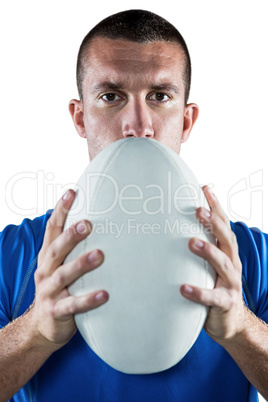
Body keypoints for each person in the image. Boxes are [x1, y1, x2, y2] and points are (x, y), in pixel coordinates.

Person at [0, 9, 267, 402]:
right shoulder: (14, 256)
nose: (138, 124)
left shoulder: (254, 259)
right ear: (80, 117)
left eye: (159, 97)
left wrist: (242, 328)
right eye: (111, 96)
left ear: (187, 120)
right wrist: (34, 331)